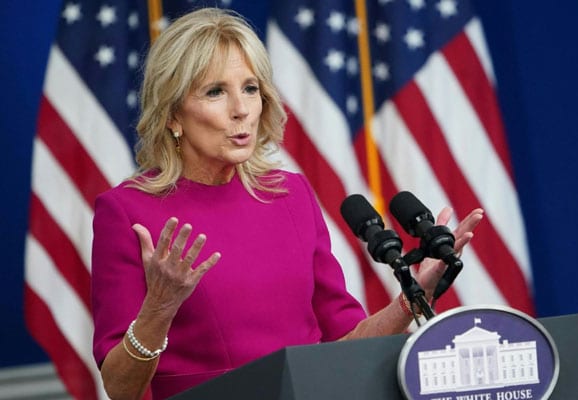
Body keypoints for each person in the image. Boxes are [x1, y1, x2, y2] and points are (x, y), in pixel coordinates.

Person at [91, 7, 484, 400]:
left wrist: (413, 297)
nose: (241, 110)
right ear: (173, 115)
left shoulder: (290, 195)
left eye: (250, 88)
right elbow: (121, 387)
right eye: (215, 92)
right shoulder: (128, 212)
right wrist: (159, 307)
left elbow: (346, 344)